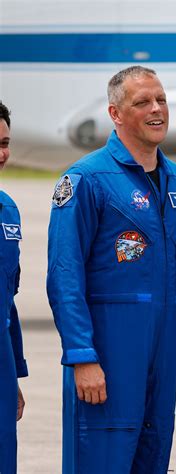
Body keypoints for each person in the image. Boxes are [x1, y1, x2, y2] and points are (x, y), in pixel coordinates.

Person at [47, 66, 176, 474]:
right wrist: (82, 357)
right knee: (101, 460)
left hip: (163, 358)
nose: (156, 109)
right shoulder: (87, 180)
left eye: (161, 100)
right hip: (108, 356)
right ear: (116, 113)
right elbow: (64, 276)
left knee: (153, 457)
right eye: (142, 102)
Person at [0, 101, 28, 474]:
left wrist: (14, 375)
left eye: (4, 143)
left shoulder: (8, 209)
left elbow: (9, 302)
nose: (1, 153)